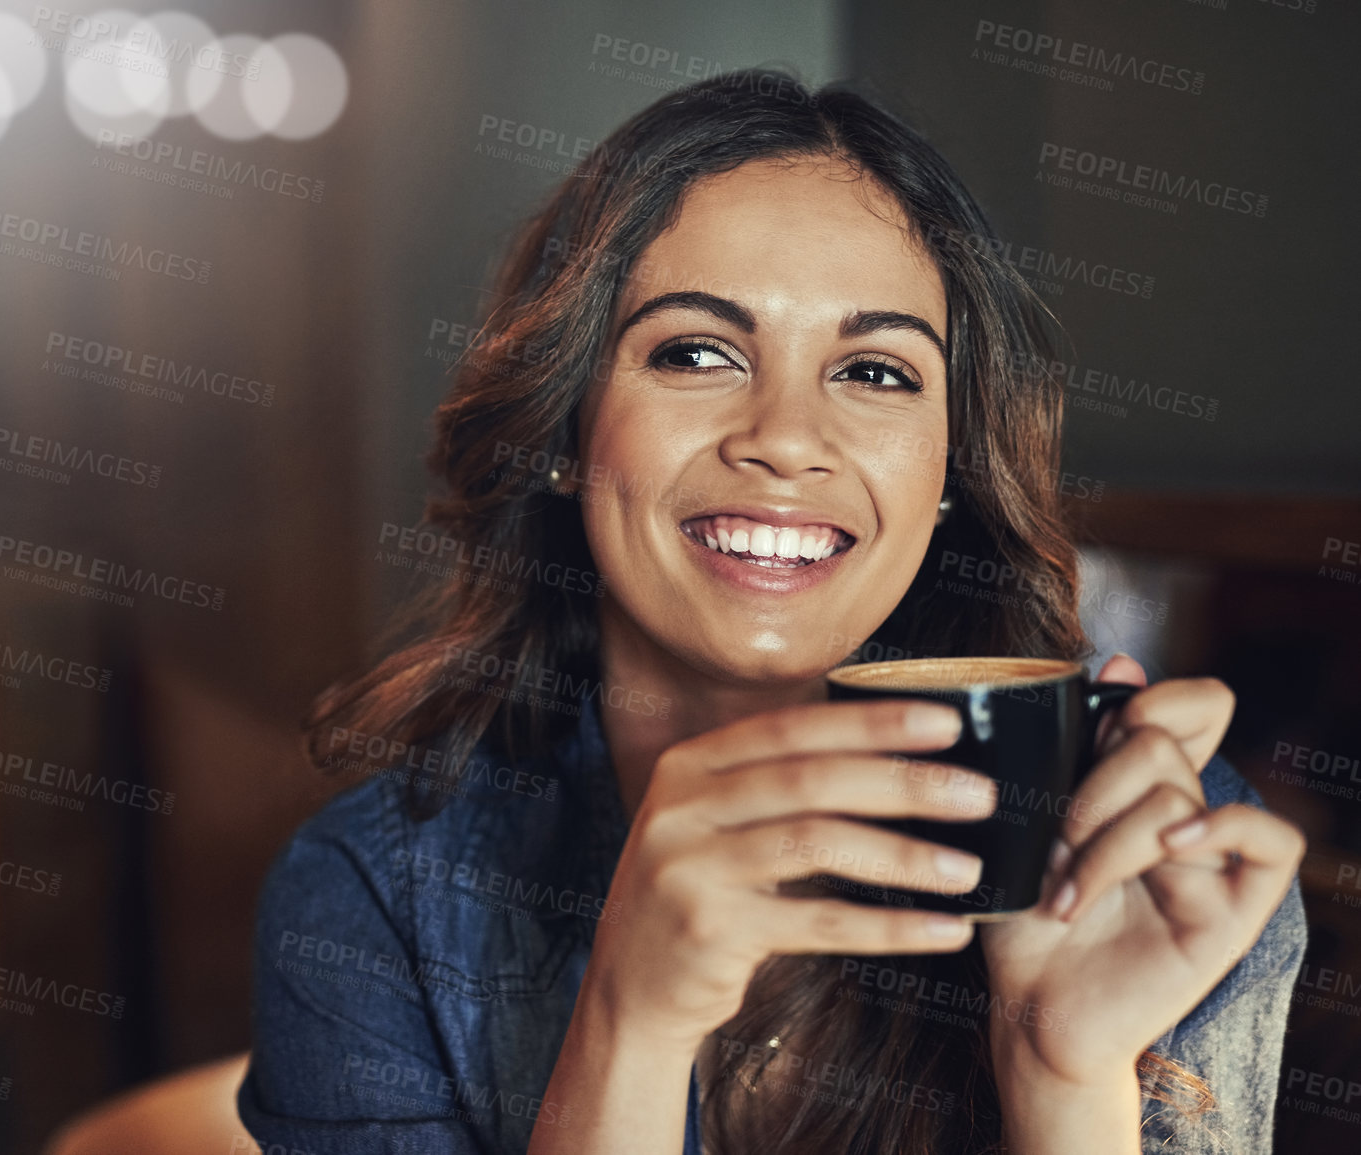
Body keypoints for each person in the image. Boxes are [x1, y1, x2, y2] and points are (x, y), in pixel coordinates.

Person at [234, 69, 1307, 1154]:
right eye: (697, 352)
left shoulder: (1149, 851)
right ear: (567, 430)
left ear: (947, 467)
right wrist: (629, 1024)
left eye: (877, 371)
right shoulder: (375, 893)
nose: (787, 438)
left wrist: (1061, 1078)